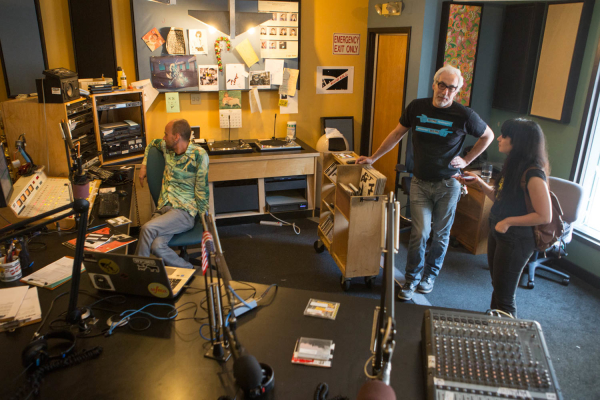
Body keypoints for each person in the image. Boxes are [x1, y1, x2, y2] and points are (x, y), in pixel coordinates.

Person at [357, 65, 494, 301]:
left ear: (457, 90)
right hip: (420, 182)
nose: (446, 92)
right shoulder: (417, 107)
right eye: (442, 85)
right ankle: (411, 279)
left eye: (452, 88)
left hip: (448, 184)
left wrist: (467, 160)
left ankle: (429, 276)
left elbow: (488, 135)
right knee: (420, 233)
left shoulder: (464, 115)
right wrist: (373, 157)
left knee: (441, 235)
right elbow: (396, 134)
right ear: (434, 84)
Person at [456, 119, 552, 317]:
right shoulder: (513, 165)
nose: (498, 138)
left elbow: (544, 215)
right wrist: (479, 182)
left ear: (518, 141)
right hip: (499, 231)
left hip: (516, 238)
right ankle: (494, 326)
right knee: (498, 285)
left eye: (504, 135)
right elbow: (499, 198)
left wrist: (508, 222)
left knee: (505, 296)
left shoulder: (533, 173)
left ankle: (508, 340)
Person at [135, 119, 209, 269]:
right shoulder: (167, 148)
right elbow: (151, 144)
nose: (163, 137)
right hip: (163, 210)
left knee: (147, 229)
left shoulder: (198, 155)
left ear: (176, 137)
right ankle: (188, 269)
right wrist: (143, 166)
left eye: (166, 134)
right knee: (156, 246)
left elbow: (202, 191)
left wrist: (205, 222)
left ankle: (138, 271)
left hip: (183, 212)